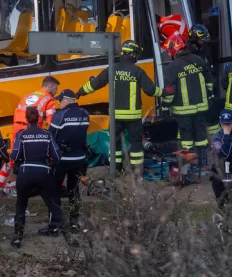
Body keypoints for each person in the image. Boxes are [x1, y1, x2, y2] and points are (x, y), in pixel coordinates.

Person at [78, 41, 162, 177]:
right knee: (136, 145)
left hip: (116, 116)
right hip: (133, 117)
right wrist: (164, 92)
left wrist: (80, 91)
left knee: (115, 145)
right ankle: (137, 173)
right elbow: (151, 90)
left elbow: (96, 83)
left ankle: (115, 171)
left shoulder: (112, 69)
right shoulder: (137, 71)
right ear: (133, 53)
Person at [162, 34, 213, 184]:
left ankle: (189, 167)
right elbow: (210, 82)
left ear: (173, 49)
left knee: (186, 138)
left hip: (183, 110)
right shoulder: (198, 60)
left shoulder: (173, 66)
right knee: (201, 135)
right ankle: (203, 164)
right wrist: (208, 96)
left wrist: (165, 105)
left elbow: (170, 89)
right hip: (201, 107)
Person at [10, 106, 63, 248]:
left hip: (25, 173)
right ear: (40, 118)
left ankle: (17, 237)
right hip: (44, 173)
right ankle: (68, 235)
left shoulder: (22, 135)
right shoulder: (47, 134)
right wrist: (50, 166)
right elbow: (57, 156)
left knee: (21, 204)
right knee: (53, 205)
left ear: (26, 119)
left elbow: (14, 156)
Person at [50, 89, 90, 230]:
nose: (59, 103)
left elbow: (51, 137)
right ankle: (74, 222)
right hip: (79, 158)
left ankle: (56, 224)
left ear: (67, 100)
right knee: (74, 190)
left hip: (62, 159)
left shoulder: (59, 115)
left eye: (60, 100)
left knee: (54, 190)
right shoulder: (85, 114)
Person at [12, 76, 60, 141]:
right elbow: (51, 121)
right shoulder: (49, 99)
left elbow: (18, 111)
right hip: (32, 129)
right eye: (55, 88)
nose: (56, 91)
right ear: (49, 87)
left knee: (16, 149)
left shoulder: (28, 95)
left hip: (17, 126)